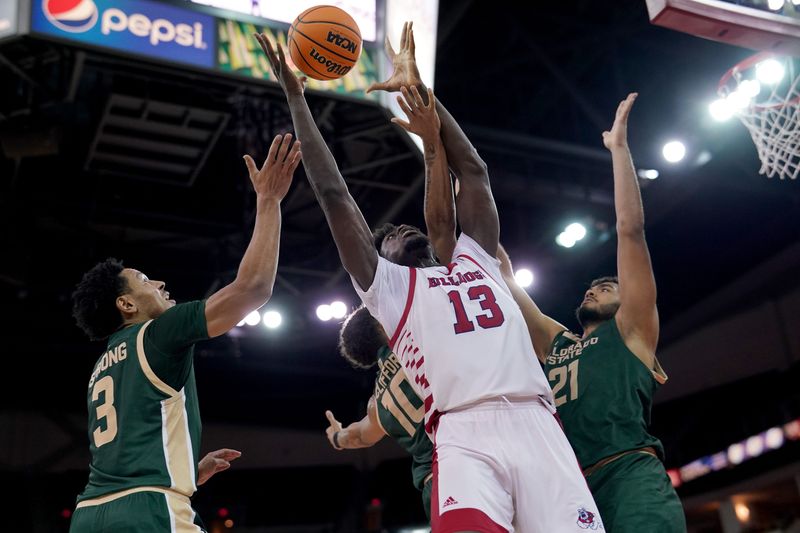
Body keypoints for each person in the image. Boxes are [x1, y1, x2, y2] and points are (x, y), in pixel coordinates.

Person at [255, 25, 602, 533]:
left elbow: (476, 172)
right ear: (384, 262)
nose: (401, 230)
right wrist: (295, 97)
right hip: (463, 435)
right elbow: (333, 194)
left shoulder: (476, 258)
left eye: (401, 225)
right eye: (390, 235)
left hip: (538, 424)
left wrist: (422, 94)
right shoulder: (389, 292)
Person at [68, 134, 302, 532]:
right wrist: (269, 202)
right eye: (143, 280)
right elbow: (253, 289)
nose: (158, 282)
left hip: (89, 515)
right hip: (149, 510)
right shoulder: (157, 334)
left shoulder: (102, 367)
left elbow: (128, 450)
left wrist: (187, 470)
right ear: (126, 305)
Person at [494, 94, 686, 532]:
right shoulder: (558, 342)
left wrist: (619, 150)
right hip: (571, 492)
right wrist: (463, 184)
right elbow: (502, 275)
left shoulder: (632, 330)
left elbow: (629, 230)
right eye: (593, 285)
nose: (596, 286)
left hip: (630, 478)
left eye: (609, 284)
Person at [324, 306, 434, 520]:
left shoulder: (378, 403)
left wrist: (337, 437)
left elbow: (358, 436)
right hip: (463, 457)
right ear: (380, 324)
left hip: (434, 482)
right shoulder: (414, 343)